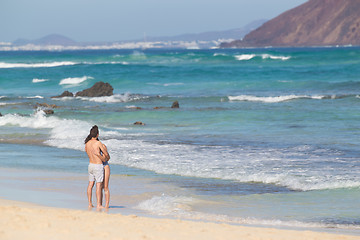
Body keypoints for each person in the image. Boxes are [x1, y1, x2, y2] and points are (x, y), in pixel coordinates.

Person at [85, 125, 110, 209]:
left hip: (90, 165)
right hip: (97, 165)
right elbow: (106, 155)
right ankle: (99, 204)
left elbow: (88, 154)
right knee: (98, 185)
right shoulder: (98, 143)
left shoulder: (87, 144)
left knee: (90, 184)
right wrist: (101, 156)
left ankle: (90, 203)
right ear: (97, 134)